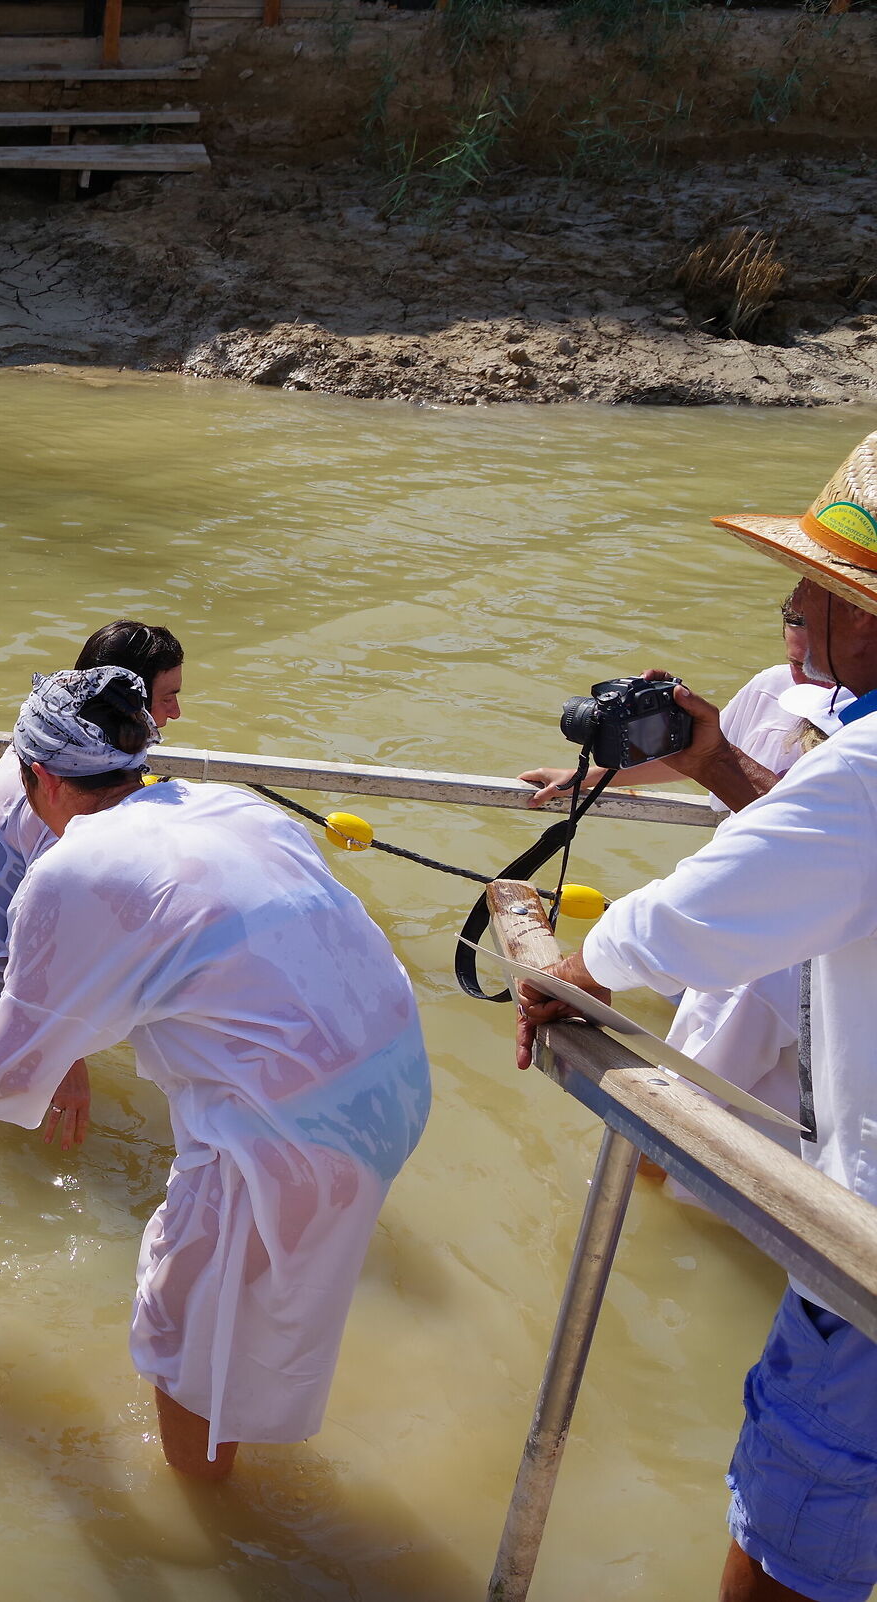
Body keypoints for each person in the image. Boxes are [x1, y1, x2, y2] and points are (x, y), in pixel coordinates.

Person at [515, 429, 877, 1602]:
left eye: (816, 589)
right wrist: (716, 761)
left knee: (796, 1533)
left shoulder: (864, 765)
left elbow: (702, 920)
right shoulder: (822, 737)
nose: (794, 606)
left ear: (866, 619)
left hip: (869, 1254)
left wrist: (584, 963)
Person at [0, 667, 430, 1481]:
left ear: (40, 778)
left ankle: (210, 1522)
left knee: (183, 1323)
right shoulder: (227, 803)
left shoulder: (70, 866)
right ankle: (229, 1461)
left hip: (293, 1126)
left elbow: (3, 1078)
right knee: (239, 1305)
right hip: (395, 1074)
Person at [519, 602, 824, 1152]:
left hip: (754, 938)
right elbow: (703, 748)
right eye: (794, 624)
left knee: (683, 1110)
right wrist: (586, 776)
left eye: (813, 660)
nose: (799, 668)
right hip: (719, 904)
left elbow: (800, 845)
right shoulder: (775, 687)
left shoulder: (855, 748)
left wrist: (587, 968)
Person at [0, 618, 186, 1029]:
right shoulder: (69, 796)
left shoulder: (40, 745)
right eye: (167, 698)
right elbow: (56, 951)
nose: (176, 713)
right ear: (126, 705)